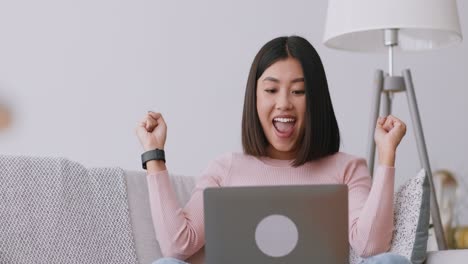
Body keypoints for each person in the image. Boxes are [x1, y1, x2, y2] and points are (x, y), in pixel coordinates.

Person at [135, 36, 410, 264]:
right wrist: (154, 156)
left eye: (298, 92)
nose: (284, 104)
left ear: (316, 100)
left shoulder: (347, 169)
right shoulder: (225, 169)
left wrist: (387, 156)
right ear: (254, 98)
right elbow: (178, 247)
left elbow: (371, 247)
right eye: (271, 90)